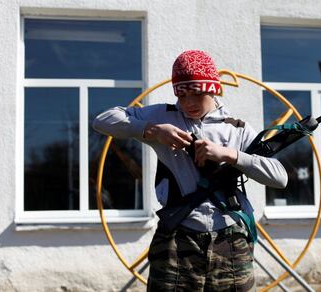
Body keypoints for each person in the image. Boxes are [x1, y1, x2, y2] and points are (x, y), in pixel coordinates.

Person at [93, 50, 288, 292]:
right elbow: (102, 120)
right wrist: (152, 131)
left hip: (231, 240)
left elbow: (280, 177)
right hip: (177, 238)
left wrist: (229, 155)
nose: (188, 104)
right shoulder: (163, 116)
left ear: (214, 88)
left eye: (197, 93)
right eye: (182, 95)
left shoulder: (236, 129)